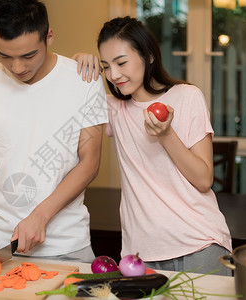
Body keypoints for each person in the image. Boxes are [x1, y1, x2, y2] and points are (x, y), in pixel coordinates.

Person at [0, 0, 108, 274]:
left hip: (68, 245)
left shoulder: (85, 81)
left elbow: (89, 162)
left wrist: (40, 216)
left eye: (28, 56)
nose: (17, 67)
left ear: (49, 36)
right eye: (4, 56)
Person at [97, 16, 232, 275]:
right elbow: (65, 89)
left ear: (148, 56)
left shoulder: (186, 96)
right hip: (139, 256)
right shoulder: (113, 108)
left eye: (121, 62)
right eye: (105, 66)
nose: (113, 75)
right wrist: (82, 62)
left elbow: (204, 180)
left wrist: (166, 134)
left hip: (199, 245)